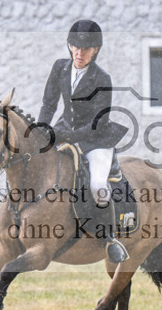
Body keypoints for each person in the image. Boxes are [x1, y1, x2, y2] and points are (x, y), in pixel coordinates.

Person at [37, 20, 130, 263]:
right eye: (75, 47)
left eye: (86, 49)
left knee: (98, 185)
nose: (79, 53)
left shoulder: (102, 78)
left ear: (95, 50)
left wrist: (68, 137)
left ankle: (110, 238)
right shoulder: (60, 68)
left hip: (95, 139)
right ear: (69, 45)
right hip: (64, 128)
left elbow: (100, 122)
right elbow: (49, 104)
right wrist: (41, 129)